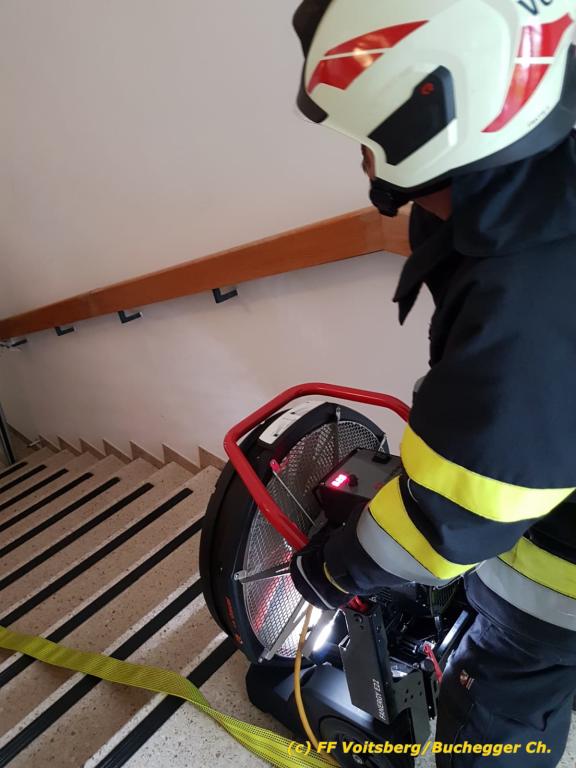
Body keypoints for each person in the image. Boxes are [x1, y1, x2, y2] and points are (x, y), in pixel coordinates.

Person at [289, 2, 576, 766]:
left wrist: (336, 567)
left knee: (492, 716)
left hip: (556, 592)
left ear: (430, 132)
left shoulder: (532, 300)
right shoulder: (544, 186)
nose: (362, 159)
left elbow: (459, 511)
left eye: (365, 139)